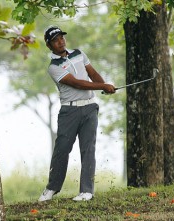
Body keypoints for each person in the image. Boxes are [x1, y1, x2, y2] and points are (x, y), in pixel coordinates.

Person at [38, 26, 116, 202]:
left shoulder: (78, 53)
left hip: (90, 107)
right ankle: (52, 188)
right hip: (69, 111)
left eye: (62, 37)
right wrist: (103, 86)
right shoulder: (54, 67)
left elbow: (92, 73)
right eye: (55, 40)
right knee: (62, 150)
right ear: (49, 45)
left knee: (88, 149)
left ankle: (86, 191)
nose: (60, 41)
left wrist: (104, 86)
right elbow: (78, 84)